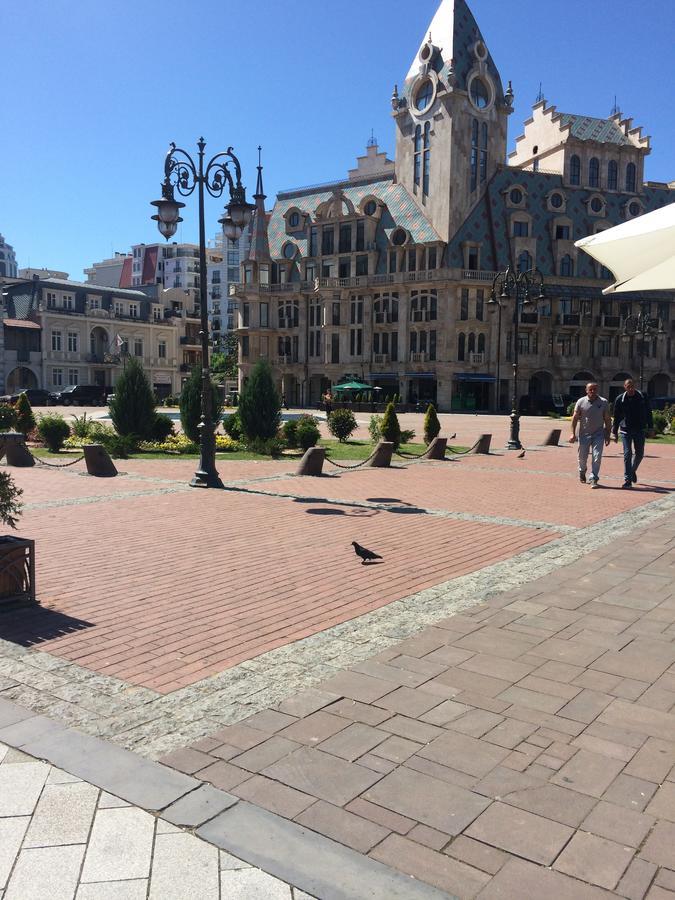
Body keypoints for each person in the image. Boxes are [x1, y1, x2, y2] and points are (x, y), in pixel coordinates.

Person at [612, 378, 653, 488]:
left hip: (640, 429)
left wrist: (651, 427)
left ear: (634, 386)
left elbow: (649, 412)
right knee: (627, 454)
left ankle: (632, 471)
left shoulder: (642, 396)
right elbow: (616, 417)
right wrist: (614, 432)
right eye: (628, 387)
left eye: (632, 386)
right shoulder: (620, 399)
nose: (630, 389)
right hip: (626, 430)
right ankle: (628, 480)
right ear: (624, 387)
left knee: (639, 454)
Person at [569, 382, 611, 488]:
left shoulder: (603, 402)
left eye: (595, 389)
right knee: (582, 457)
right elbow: (574, 418)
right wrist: (572, 434)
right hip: (584, 434)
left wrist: (607, 435)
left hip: (599, 434)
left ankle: (593, 478)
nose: (592, 391)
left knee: (597, 457)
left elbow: (607, 419)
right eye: (590, 389)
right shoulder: (581, 401)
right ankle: (582, 471)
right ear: (586, 390)